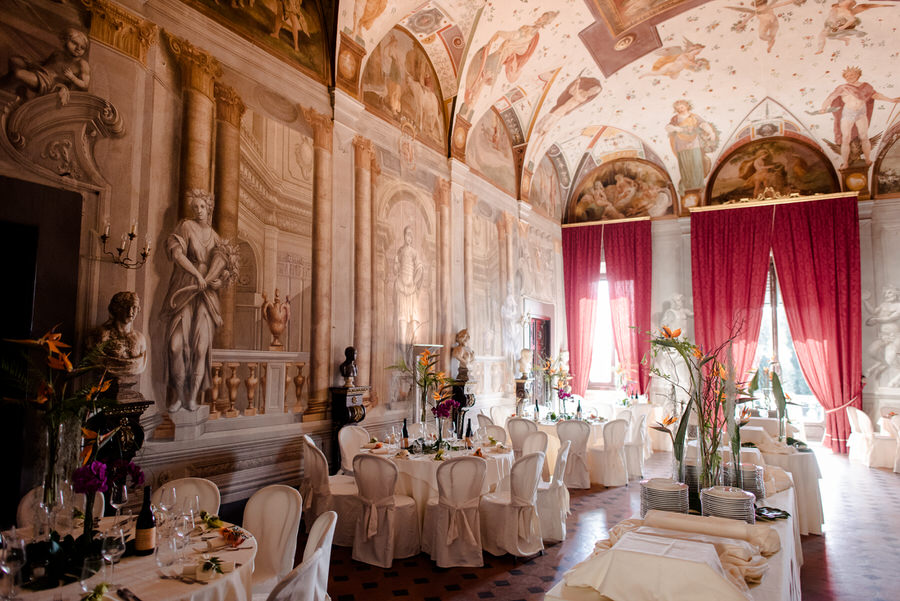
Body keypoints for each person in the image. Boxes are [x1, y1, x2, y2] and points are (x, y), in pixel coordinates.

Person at [163, 189, 229, 412]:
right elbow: (177, 254)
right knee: (175, 346)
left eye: (202, 206)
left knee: (201, 348)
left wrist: (217, 281)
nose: (199, 211)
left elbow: (222, 268)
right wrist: (198, 275)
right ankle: (178, 395)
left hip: (207, 295)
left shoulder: (215, 237)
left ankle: (192, 396)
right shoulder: (186, 226)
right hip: (184, 286)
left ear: (209, 208)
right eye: (196, 207)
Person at [820, 66, 900, 168]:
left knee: (864, 137)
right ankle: (845, 163)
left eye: (852, 75)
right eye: (847, 76)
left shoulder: (866, 86)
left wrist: (890, 100)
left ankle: (868, 159)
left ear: (858, 75)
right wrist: (823, 108)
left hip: (861, 113)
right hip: (848, 113)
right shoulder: (843, 88)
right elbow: (831, 98)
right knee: (846, 138)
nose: (849, 77)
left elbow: (876, 95)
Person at [4, 28, 90, 105]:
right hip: (41, 72)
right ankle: (12, 91)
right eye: (74, 43)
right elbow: (45, 64)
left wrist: (72, 78)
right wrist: (31, 64)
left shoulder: (82, 64)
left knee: (19, 74)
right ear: (65, 41)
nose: (78, 48)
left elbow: (85, 85)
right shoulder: (57, 53)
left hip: (50, 83)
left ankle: (4, 91)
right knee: (14, 60)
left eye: (82, 47)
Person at [87, 291, 147, 400]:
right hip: (107, 392)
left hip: (129, 393)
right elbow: (95, 360)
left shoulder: (140, 339)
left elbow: (140, 364)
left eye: (134, 307)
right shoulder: (102, 335)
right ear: (116, 308)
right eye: (126, 307)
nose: (130, 312)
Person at [665, 100, 719, 194]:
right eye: (677, 108)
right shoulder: (675, 118)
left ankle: (698, 185)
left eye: (681, 107)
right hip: (681, 144)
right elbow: (668, 127)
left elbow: (703, 124)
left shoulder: (694, 117)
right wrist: (677, 128)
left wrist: (711, 132)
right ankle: (687, 185)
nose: (680, 110)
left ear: (687, 106)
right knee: (685, 164)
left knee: (696, 163)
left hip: (694, 143)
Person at [864, 286, 900, 385]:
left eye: (890, 293)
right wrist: (865, 301)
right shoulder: (883, 305)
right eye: (886, 293)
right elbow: (873, 312)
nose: (887, 295)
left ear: (896, 294)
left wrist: (876, 320)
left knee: (890, 357)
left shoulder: (898, 305)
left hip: (894, 336)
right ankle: (884, 363)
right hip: (883, 335)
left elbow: (891, 318)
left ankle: (897, 377)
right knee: (871, 351)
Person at [394, 225, 424, 347]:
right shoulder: (400, 252)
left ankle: (411, 359)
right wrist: (396, 262)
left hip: (411, 290)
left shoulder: (414, 252)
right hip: (401, 288)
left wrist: (415, 283)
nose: (409, 237)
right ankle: (403, 360)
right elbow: (395, 271)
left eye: (411, 235)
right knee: (402, 326)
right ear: (404, 236)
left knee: (414, 327)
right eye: (407, 234)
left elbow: (420, 268)